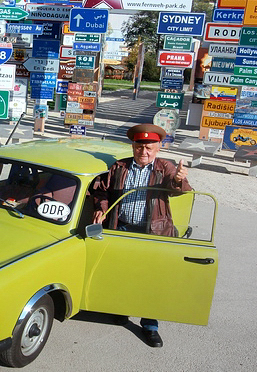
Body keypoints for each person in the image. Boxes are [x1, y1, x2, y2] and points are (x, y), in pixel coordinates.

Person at [90, 124, 191, 349]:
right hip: (122, 227)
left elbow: (178, 188)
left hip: (152, 232)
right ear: (133, 146)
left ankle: (150, 325)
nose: (143, 152)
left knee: (151, 278)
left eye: (149, 147)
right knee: (123, 272)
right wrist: (101, 206)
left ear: (158, 148)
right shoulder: (120, 167)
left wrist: (178, 179)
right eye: (139, 146)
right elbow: (102, 190)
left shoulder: (166, 167)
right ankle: (122, 309)